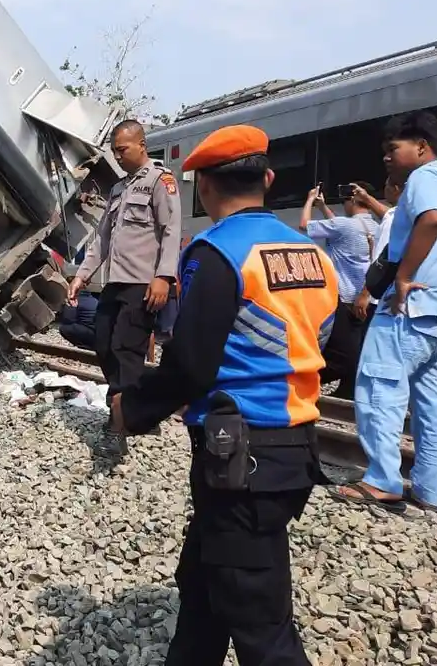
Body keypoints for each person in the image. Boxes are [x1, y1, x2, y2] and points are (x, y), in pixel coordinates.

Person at [110, 124, 338, 665]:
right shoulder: (310, 254)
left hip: (243, 463)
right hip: (292, 450)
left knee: (264, 631)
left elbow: (189, 361)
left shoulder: (216, 253)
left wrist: (132, 409)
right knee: (205, 589)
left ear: (205, 187)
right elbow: (330, 344)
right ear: (268, 178)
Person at [331, 111, 437, 513]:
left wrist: (404, 276)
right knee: (431, 401)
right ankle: (430, 490)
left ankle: (382, 481)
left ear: (421, 147)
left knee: (378, 386)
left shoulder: (424, 178)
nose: (387, 158)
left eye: (393, 149)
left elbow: (431, 219)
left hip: (413, 305)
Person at [67, 119, 182, 457]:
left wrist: (164, 277)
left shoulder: (161, 181)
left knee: (126, 350)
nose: (117, 156)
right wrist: (82, 275)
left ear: (141, 144)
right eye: (114, 150)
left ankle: (120, 425)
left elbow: (171, 231)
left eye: (123, 149)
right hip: (116, 282)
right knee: (103, 341)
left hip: (144, 284)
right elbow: (102, 238)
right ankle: (138, 407)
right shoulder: (119, 189)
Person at [300, 179, 380, 397]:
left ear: (352, 199)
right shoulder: (375, 226)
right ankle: (348, 389)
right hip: (368, 297)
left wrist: (309, 201)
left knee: (340, 350)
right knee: (359, 345)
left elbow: (304, 226)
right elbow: (341, 230)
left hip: (344, 297)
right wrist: (323, 207)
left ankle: (304, 383)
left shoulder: (345, 226)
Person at [351, 177, 403, 324]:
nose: (384, 190)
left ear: (396, 189)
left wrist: (365, 293)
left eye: (386, 186)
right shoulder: (403, 215)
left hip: (378, 297)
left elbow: (381, 262)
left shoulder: (393, 219)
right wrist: (366, 198)